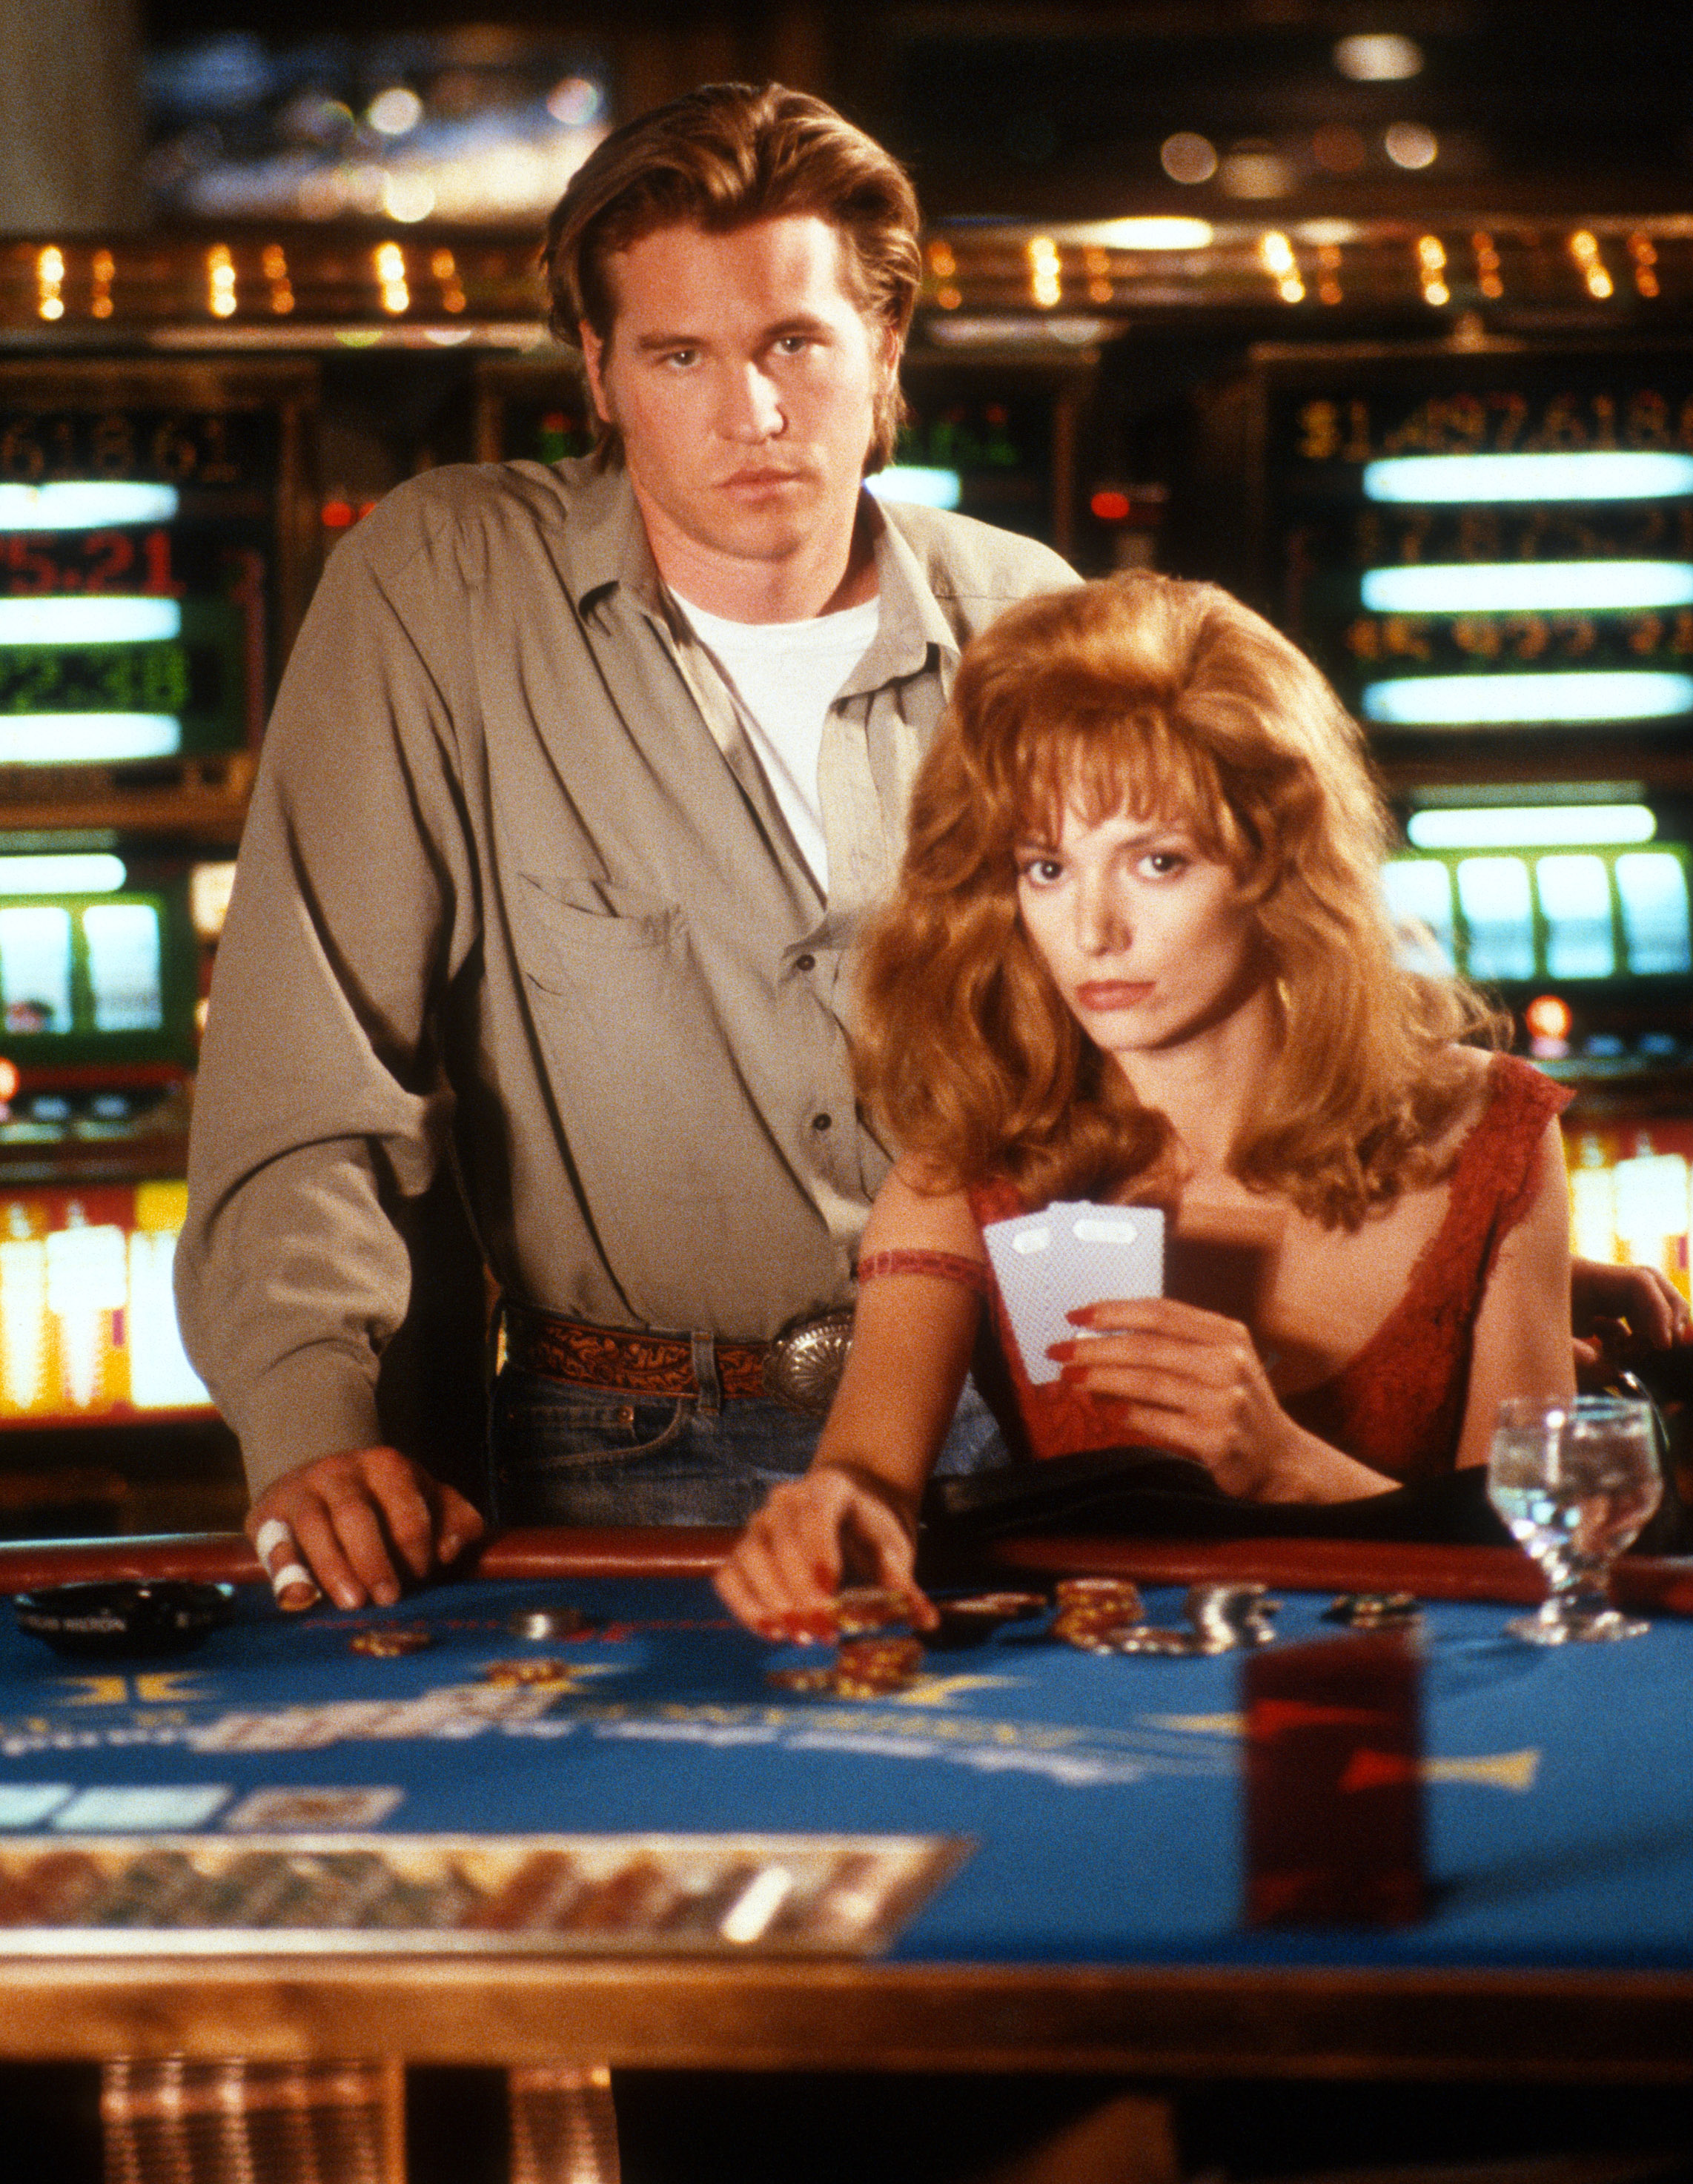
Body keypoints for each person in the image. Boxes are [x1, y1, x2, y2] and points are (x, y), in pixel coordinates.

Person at [174, 81, 1076, 1611]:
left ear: (885, 348)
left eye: (797, 343)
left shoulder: (1034, 616)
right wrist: (310, 1427)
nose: (754, 414)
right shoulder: (445, 586)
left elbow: (1202, 1046)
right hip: (631, 1442)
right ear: (598, 372)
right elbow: (310, 1070)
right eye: (681, 356)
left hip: (1019, 1417)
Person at [716, 570, 1591, 1634]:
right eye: (1046, 868)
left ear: (1277, 863)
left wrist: (1289, 1469)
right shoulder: (972, 1169)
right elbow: (865, 1473)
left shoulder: (1491, 1130)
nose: (1094, 930)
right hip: (1108, 1699)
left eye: (1158, 862)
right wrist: (833, 1519)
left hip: (1413, 1698)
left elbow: (1547, 1569)